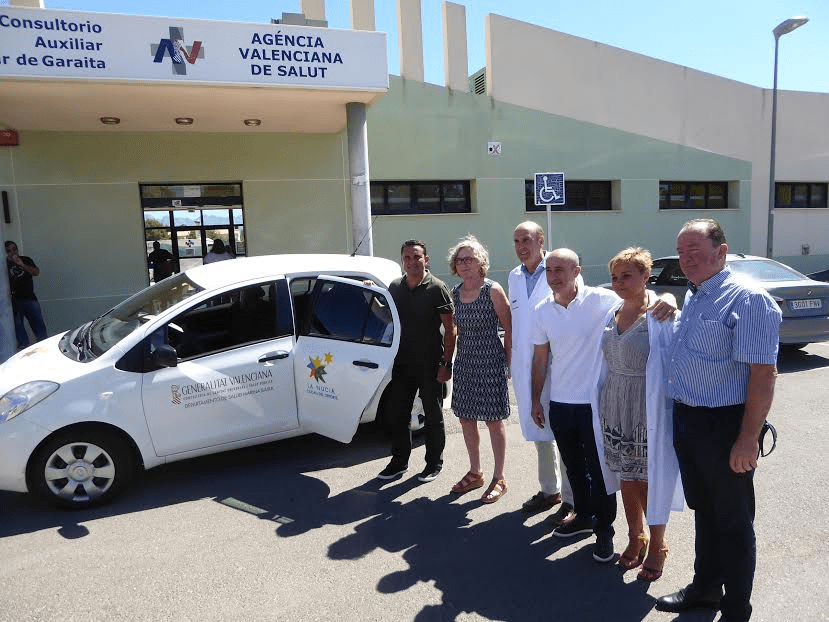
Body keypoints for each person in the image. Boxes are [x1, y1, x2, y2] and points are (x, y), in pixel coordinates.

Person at [656, 219, 781, 622]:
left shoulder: (748, 300)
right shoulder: (695, 296)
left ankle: (736, 609)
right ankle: (706, 589)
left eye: (695, 249)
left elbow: (764, 374)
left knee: (733, 521)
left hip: (725, 427)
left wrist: (747, 439)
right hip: (690, 421)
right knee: (704, 511)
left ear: (722, 251)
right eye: (682, 251)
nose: (686, 258)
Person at [530, 248, 674, 563]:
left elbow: (650, 302)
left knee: (619, 474)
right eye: (549, 270)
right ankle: (595, 522)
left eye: (560, 269)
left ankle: (616, 535)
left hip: (616, 406)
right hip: (583, 404)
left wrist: (670, 298)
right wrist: (535, 400)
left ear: (577, 270)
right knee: (592, 471)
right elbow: (540, 358)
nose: (554, 276)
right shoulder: (549, 310)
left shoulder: (603, 301)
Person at [593, 247, 683, 582]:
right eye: (615, 277)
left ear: (646, 276)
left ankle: (658, 544)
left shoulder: (660, 315)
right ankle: (636, 535)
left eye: (627, 276)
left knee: (649, 479)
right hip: (614, 403)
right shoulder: (611, 311)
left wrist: (670, 301)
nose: (618, 283)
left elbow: (676, 360)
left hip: (647, 407)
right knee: (624, 476)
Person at [508, 222, 574, 525]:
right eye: (517, 240)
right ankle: (550, 490)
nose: (522, 246)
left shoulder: (558, 270)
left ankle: (572, 500)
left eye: (527, 239)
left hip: (558, 366)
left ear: (541, 240)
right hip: (525, 365)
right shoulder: (514, 276)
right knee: (539, 433)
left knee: (563, 434)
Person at [378, 240, 456, 483]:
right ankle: (399, 462)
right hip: (403, 363)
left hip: (431, 363)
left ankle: (434, 463)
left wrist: (446, 364)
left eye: (417, 257)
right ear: (402, 261)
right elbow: (386, 317)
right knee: (399, 413)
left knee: (433, 415)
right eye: (408, 258)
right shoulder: (394, 287)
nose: (412, 262)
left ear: (427, 259)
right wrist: (371, 294)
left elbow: (450, 328)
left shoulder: (437, 288)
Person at [447, 235, 512, 503]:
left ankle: (499, 477)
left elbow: (510, 328)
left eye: (469, 259)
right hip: (465, 363)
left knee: (494, 421)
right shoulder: (454, 293)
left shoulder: (493, 290)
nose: (464, 264)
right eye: (459, 260)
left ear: (480, 262)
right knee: (465, 419)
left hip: (491, 362)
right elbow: (452, 331)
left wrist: (507, 363)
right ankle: (476, 472)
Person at [5, 240, 47, 349]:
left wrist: (22, 264)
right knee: (18, 328)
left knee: (38, 325)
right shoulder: (4, 264)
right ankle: (23, 349)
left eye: (14, 249)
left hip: (30, 298)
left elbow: (36, 272)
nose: (13, 252)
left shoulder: (25, 260)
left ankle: (44, 346)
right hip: (14, 300)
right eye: (9, 251)